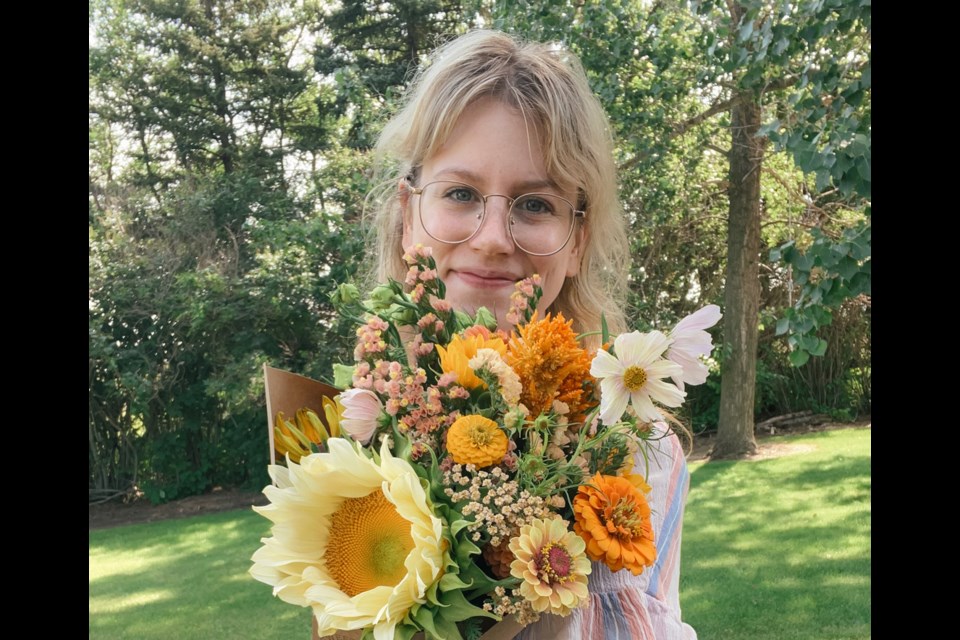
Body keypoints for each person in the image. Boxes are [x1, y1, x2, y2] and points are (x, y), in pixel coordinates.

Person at [365, 29, 697, 640]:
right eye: (460, 193)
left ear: (580, 239)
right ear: (409, 213)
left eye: (535, 204)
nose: (493, 236)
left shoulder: (637, 448)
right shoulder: (353, 431)